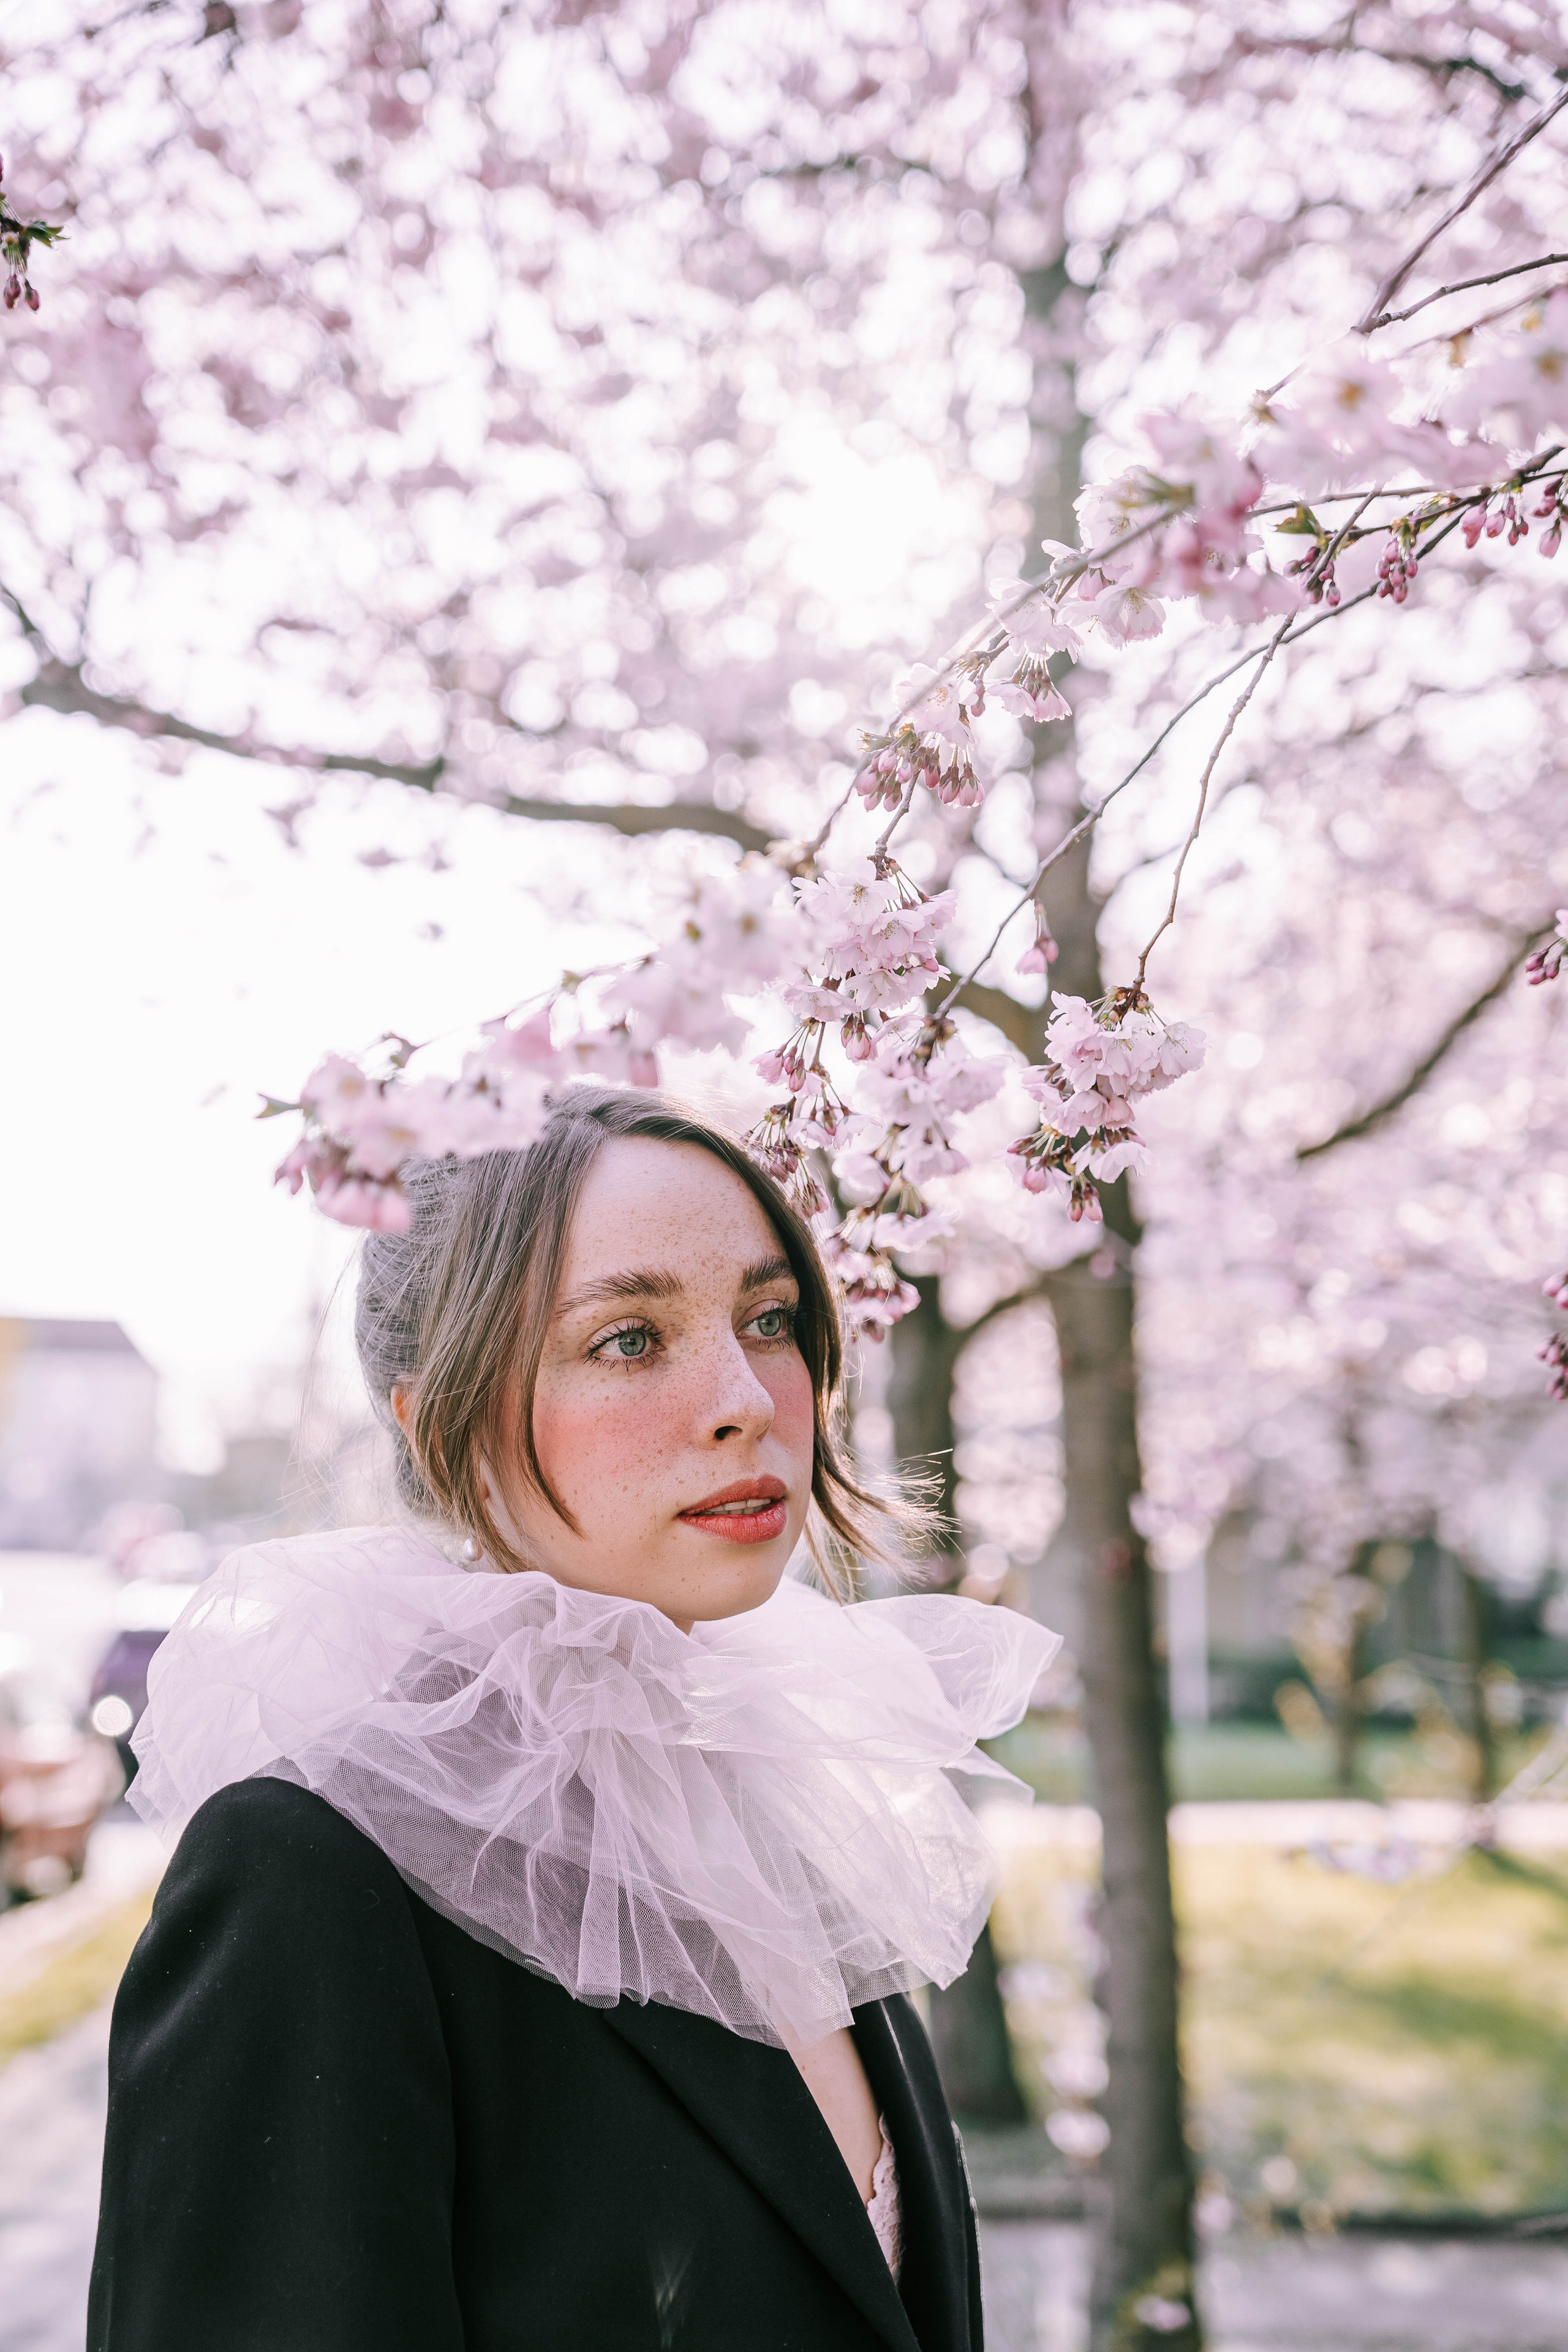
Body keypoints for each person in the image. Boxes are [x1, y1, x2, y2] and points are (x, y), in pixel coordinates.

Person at [88, 1087, 1055, 2352]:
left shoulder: (792, 1794)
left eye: (769, 1320)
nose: (746, 1400)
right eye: (627, 1340)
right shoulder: (314, 1877)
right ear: (436, 1425)